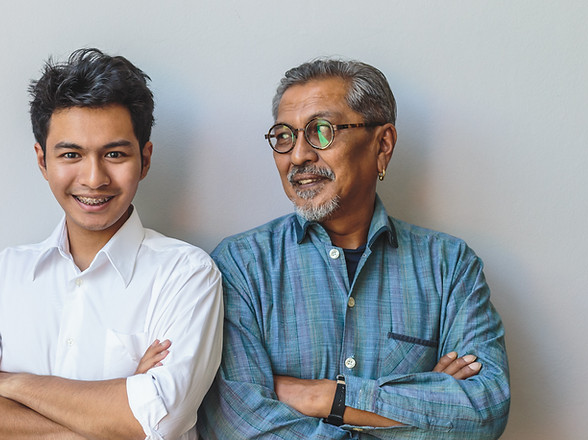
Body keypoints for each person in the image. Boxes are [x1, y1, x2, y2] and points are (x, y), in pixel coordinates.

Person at [197, 57, 510, 439]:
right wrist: (421, 404)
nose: (298, 156)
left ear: (383, 145)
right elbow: (236, 423)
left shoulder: (449, 266)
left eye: (322, 131)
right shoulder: (240, 266)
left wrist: (326, 396)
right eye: (284, 136)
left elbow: (484, 411)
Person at [0, 48, 223, 440]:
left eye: (114, 154)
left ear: (145, 159)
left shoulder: (186, 274)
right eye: (71, 154)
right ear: (42, 161)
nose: (94, 177)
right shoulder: (4, 275)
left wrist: (10, 384)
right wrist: (110, 410)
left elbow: (155, 422)